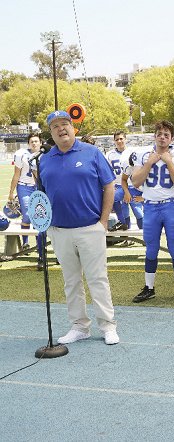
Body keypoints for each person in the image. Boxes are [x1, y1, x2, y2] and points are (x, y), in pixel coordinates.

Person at [38, 110, 119, 345]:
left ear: (73, 128)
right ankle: (79, 326)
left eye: (65, 124)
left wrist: (103, 222)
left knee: (97, 279)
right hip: (59, 230)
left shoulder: (91, 152)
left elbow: (109, 185)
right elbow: (40, 194)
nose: (61, 129)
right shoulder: (44, 159)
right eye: (55, 126)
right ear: (51, 132)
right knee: (71, 281)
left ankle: (108, 326)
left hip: (90, 227)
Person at [131, 120, 174, 303]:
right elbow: (135, 182)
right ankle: (149, 288)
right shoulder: (143, 155)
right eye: (159, 134)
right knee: (151, 248)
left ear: (172, 138)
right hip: (150, 206)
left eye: (166, 135)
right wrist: (149, 164)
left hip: (171, 205)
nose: (162, 137)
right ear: (154, 136)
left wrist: (168, 163)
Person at [8, 132, 43, 267]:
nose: (34, 143)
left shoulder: (44, 154)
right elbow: (16, 174)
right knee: (28, 215)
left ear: (40, 142)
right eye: (32, 141)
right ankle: (25, 242)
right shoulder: (21, 154)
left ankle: (41, 249)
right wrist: (11, 193)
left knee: (39, 218)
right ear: (28, 143)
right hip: (24, 186)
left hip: (38, 187)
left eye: (36, 141)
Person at [106, 131, 143, 231]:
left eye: (121, 138)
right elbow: (108, 172)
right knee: (122, 211)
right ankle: (126, 236)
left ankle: (145, 236)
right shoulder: (110, 154)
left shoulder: (133, 152)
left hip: (134, 186)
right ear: (114, 141)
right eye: (117, 139)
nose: (119, 141)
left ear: (125, 139)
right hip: (119, 185)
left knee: (138, 211)